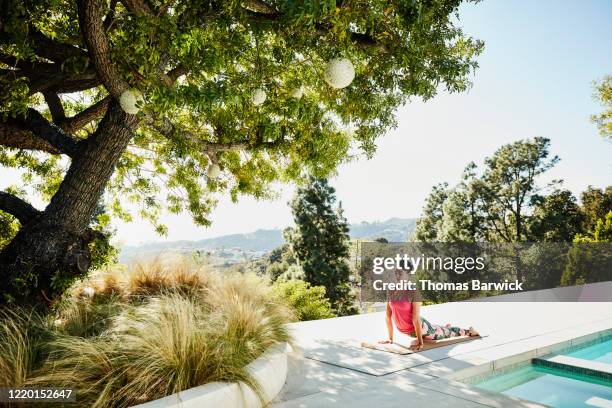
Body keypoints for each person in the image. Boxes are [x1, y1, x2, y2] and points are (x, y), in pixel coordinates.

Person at [379, 268, 478, 351]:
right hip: (406, 330)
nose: (397, 276)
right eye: (396, 273)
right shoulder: (391, 290)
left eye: (400, 274)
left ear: (408, 275)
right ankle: (442, 328)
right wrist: (390, 338)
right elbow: (388, 316)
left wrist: (420, 342)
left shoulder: (413, 292)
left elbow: (416, 319)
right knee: (439, 331)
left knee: (447, 334)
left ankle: (469, 331)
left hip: (421, 327)